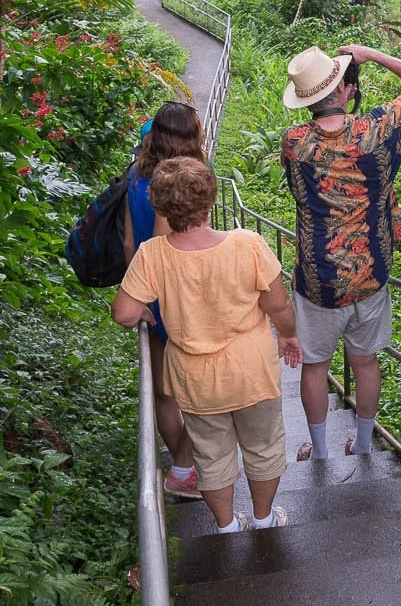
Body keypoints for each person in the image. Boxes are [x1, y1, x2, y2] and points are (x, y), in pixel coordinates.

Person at [111, 157, 303, 532]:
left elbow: (123, 312)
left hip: (195, 379)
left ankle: (227, 526)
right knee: (263, 446)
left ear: (161, 207)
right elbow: (277, 303)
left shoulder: (153, 254)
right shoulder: (247, 244)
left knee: (211, 455)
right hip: (251, 372)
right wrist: (289, 334)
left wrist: (146, 312)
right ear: (210, 199)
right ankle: (264, 519)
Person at [280, 44, 401, 460]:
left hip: (318, 279)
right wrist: (372, 55)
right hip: (370, 273)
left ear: (307, 98)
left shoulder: (294, 142)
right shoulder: (376, 129)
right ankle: (363, 444)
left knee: (316, 366)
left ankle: (319, 453)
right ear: (344, 90)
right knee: (365, 362)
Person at [123, 100, 204, 497]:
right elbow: (166, 245)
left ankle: (183, 468)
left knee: (164, 393)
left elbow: (129, 243)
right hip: (180, 298)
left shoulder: (135, 177)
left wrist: (141, 296)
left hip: (150, 298)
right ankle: (188, 466)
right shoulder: (182, 182)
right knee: (202, 387)